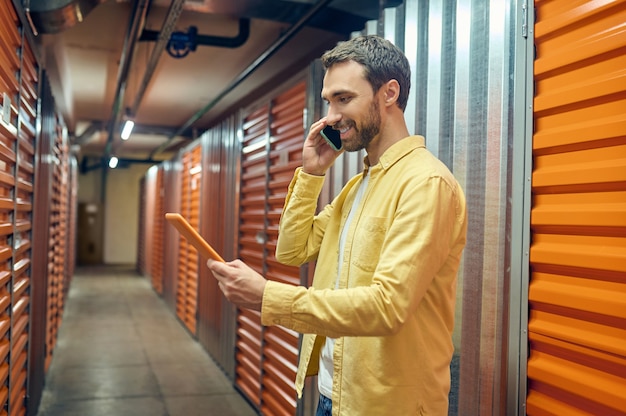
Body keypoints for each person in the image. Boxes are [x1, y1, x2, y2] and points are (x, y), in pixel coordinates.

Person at [207, 35, 467, 416]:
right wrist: (311, 174)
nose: (330, 116)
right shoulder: (358, 186)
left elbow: (387, 306)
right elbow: (293, 251)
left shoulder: (426, 184)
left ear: (389, 93)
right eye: (329, 101)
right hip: (336, 393)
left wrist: (268, 297)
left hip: (386, 406)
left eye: (344, 99)